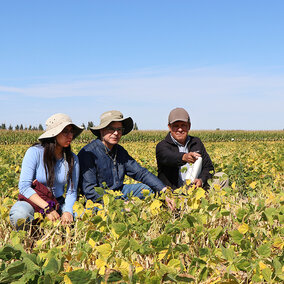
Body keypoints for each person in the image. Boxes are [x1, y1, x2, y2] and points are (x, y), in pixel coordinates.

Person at [78, 110, 174, 208]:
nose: (116, 133)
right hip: (99, 199)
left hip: (119, 192)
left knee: (146, 190)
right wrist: (119, 205)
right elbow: (90, 191)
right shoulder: (88, 153)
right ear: (101, 130)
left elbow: (141, 173)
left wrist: (164, 190)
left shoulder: (120, 151)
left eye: (119, 129)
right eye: (111, 129)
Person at [9, 113, 83, 229]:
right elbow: (24, 187)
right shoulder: (34, 152)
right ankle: (32, 238)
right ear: (54, 134)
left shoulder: (72, 159)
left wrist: (68, 211)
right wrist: (47, 208)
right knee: (20, 214)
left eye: (71, 131)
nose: (70, 136)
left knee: (82, 216)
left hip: (58, 202)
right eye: (65, 131)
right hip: (34, 201)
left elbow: (71, 191)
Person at [156, 107, 219, 190]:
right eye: (176, 126)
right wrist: (184, 157)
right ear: (169, 127)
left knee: (221, 177)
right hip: (175, 193)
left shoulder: (196, 142)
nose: (180, 129)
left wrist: (201, 180)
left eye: (183, 125)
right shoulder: (162, 146)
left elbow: (208, 168)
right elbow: (167, 157)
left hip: (196, 189)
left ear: (189, 126)